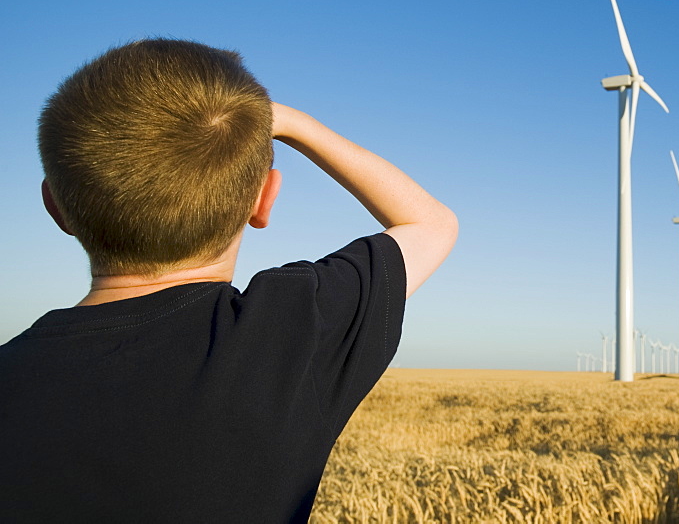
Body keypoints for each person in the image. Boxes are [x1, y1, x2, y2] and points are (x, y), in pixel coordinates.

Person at [0, 38, 458, 523]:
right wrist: (291, 124)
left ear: (57, 207)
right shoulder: (285, 332)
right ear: (264, 200)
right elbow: (430, 224)